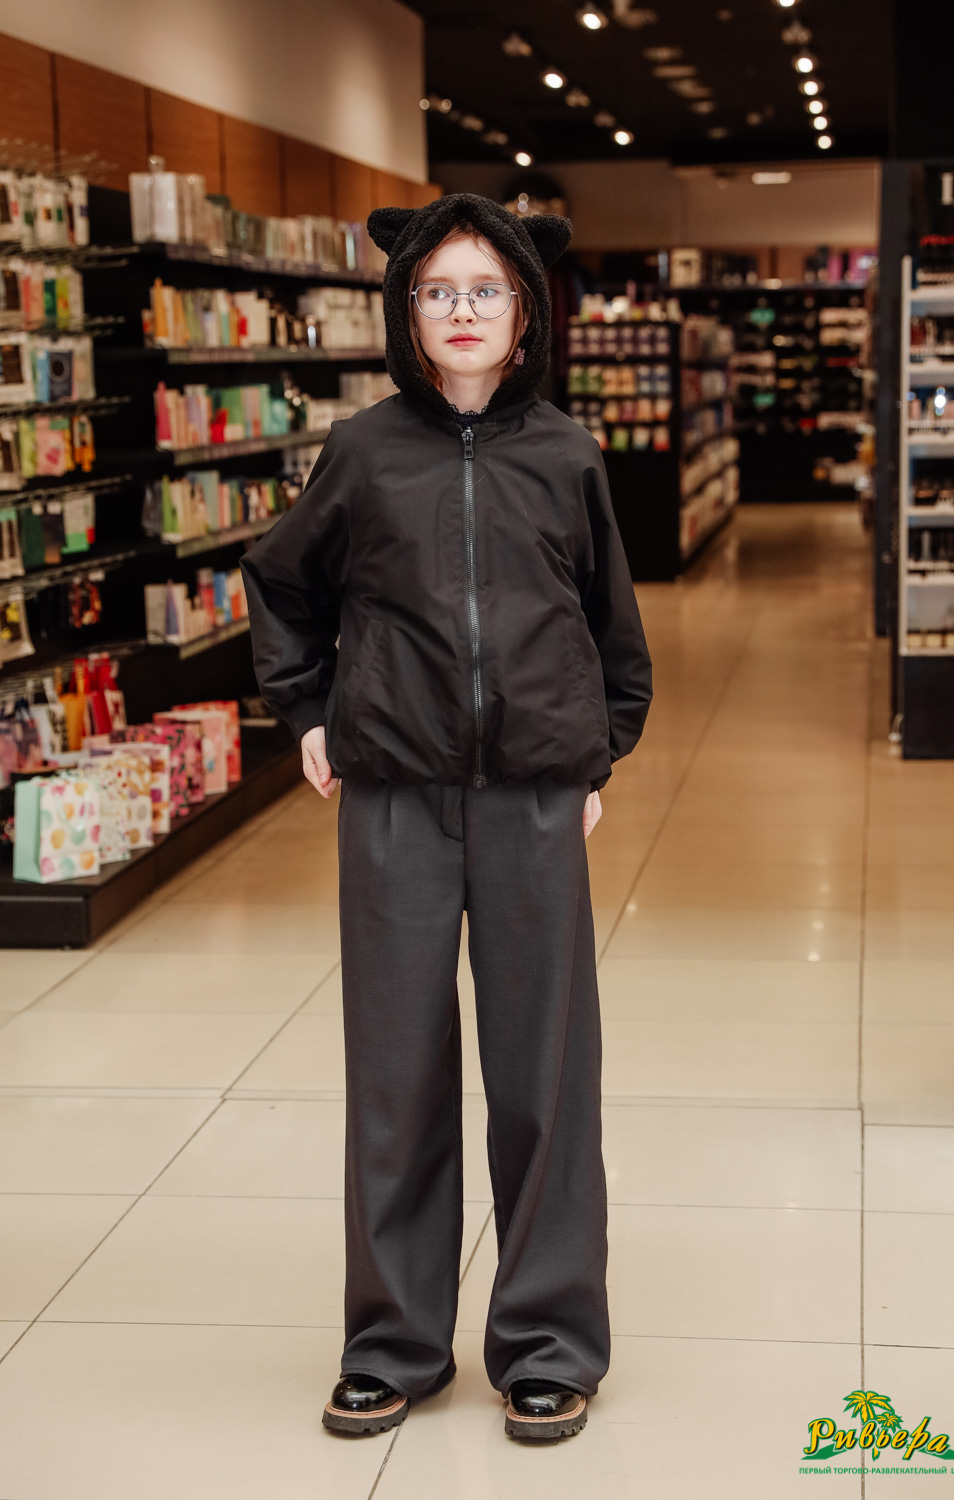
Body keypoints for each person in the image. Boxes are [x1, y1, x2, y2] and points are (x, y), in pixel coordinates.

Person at [241, 192, 652, 1442]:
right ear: (404, 311)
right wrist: (310, 712)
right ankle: (394, 1342)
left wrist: (595, 755)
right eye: (437, 291)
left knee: (544, 1076)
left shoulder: (567, 455)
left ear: (524, 314)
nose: (461, 311)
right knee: (397, 1074)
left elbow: (608, 625)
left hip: (533, 801)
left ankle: (548, 1341)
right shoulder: (364, 453)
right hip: (394, 799)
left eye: (485, 290)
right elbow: (281, 585)